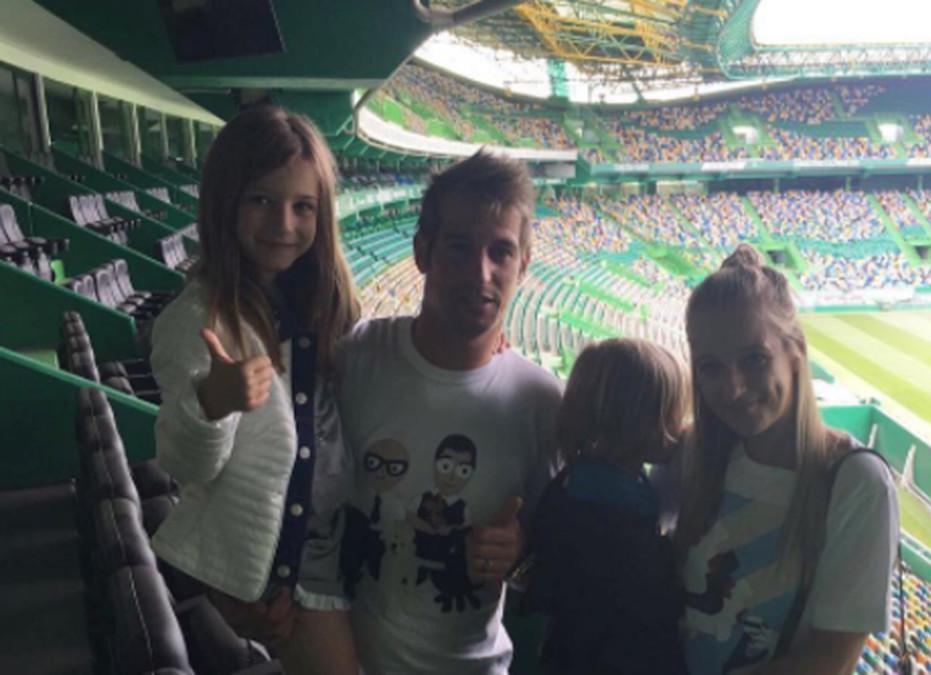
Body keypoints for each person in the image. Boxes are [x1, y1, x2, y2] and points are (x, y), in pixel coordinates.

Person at [148, 105, 360, 675]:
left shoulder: (320, 301)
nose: (283, 224)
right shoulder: (198, 320)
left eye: (302, 207)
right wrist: (212, 403)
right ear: (224, 203)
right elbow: (187, 464)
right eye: (261, 200)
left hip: (344, 547)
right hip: (282, 571)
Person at [336, 149, 562, 674]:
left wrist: (520, 549)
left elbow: (548, 559)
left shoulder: (542, 404)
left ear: (523, 265)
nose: (480, 273)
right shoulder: (356, 359)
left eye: (501, 252)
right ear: (422, 251)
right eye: (459, 248)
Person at [671, 245, 898, 675]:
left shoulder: (856, 483)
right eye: (711, 367)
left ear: (795, 352)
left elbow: (828, 664)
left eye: (754, 360)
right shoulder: (695, 455)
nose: (733, 388)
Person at [522, 338, 690, 675]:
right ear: (639, 422)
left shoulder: (576, 482)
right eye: (673, 412)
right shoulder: (617, 512)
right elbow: (653, 604)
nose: (681, 427)